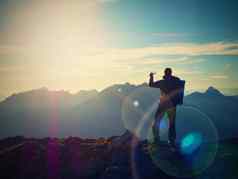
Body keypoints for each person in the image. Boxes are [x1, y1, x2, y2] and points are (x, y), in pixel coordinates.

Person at [149, 68, 185, 148]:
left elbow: (151, 85)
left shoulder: (162, 82)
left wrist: (151, 76)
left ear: (165, 73)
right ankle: (171, 141)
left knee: (156, 122)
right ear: (171, 73)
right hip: (172, 105)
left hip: (163, 104)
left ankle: (156, 139)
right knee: (172, 124)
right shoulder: (176, 81)